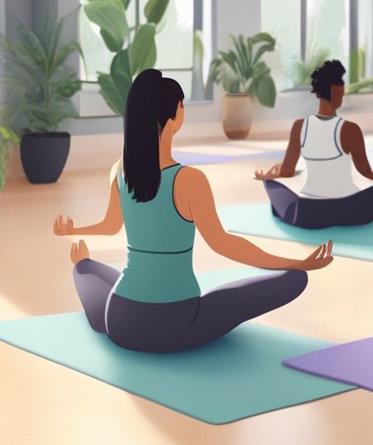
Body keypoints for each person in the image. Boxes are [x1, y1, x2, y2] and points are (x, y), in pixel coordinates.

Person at [52, 70, 334, 354]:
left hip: (121, 320)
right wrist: (296, 262)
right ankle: (85, 267)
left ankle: (83, 266)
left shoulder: (120, 171)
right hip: (176, 322)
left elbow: (111, 225)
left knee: (86, 268)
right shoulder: (188, 180)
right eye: (182, 104)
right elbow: (225, 245)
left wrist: (74, 231)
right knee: (294, 279)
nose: (183, 109)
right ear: (173, 117)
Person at [255, 60, 373, 229]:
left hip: (308, 213)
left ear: (318, 93)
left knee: (271, 184)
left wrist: (270, 175)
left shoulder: (299, 127)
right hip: (346, 208)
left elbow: (286, 172)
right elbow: (366, 173)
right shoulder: (350, 130)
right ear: (337, 90)